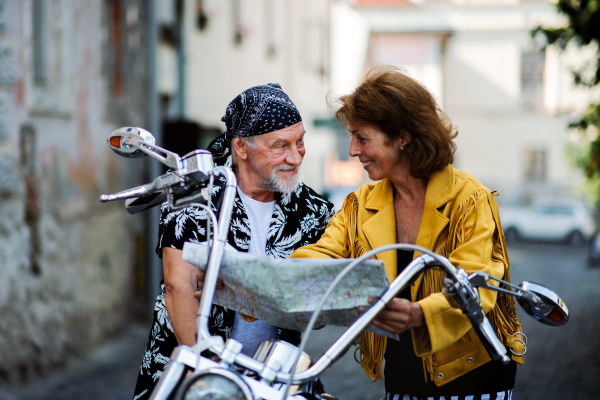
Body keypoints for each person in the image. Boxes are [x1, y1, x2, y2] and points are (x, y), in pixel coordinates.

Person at [290, 66, 525, 400]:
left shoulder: (469, 198)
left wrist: (419, 314)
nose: (352, 151)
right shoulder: (360, 203)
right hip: (401, 382)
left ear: (403, 136)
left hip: (475, 379)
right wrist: (273, 279)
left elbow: (477, 283)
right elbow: (320, 256)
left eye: (362, 138)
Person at [133, 83, 336, 400]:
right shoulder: (195, 197)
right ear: (241, 147)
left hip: (275, 378)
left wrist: (244, 290)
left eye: (300, 141)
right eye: (280, 146)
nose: (295, 157)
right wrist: (208, 372)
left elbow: (319, 311)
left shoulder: (314, 211)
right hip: (196, 370)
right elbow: (179, 287)